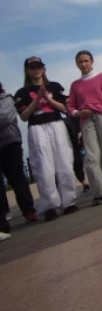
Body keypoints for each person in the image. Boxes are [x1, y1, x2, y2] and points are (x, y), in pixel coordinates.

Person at [14, 58, 79, 221]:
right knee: (44, 167)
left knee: (64, 162)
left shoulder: (54, 87)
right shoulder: (22, 93)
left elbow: (64, 108)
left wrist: (48, 98)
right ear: (27, 71)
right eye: (32, 68)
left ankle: (69, 201)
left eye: (38, 67)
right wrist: (37, 99)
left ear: (43, 69)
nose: (36, 71)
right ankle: (50, 205)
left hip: (56, 124)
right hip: (37, 128)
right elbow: (23, 116)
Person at [67, 51, 102, 205]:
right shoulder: (75, 85)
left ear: (92, 61)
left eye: (86, 61)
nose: (84, 64)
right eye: (80, 62)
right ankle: (98, 192)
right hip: (86, 120)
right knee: (92, 157)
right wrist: (79, 112)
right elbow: (71, 106)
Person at [0, 82, 37, 227]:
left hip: (10, 143)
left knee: (17, 178)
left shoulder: (6, 99)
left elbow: (4, 119)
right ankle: (3, 219)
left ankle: (29, 211)